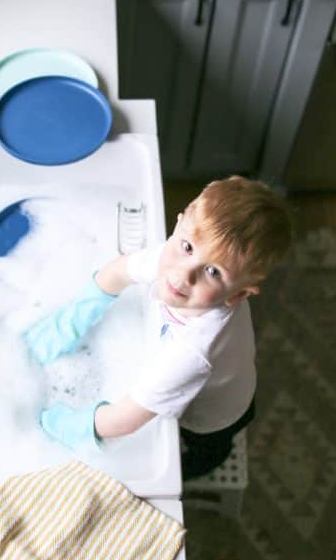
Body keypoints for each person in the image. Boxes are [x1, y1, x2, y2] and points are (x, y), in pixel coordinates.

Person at [24, 175, 292, 480]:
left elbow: (124, 419)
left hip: (217, 413)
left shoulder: (193, 350)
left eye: (213, 272)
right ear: (178, 225)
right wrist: (69, 323)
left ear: (238, 295)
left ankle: (201, 467)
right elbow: (118, 271)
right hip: (228, 372)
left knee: (208, 450)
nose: (183, 276)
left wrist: (55, 424)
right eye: (188, 246)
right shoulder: (172, 259)